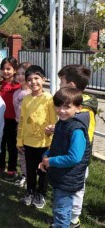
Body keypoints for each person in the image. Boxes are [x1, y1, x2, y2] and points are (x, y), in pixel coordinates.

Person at [49, 64, 97, 227]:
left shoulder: (84, 111)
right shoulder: (72, 111)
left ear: (70, 85)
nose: (59, 84)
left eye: (61, 81)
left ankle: (72, 220)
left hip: (76, 162)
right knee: (67, 198)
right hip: (67, 158)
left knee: (74, 194)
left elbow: (81, 138)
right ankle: (65, 217)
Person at [39, 87, 90, 227]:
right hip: (61, 174)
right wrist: (46, 157)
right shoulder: (62, 123)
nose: (61, 110)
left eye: (67, 107)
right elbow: (57, 145)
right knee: (59, 206)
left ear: (78, 108)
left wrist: (51, 161)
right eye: (58, 106)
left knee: (62, 209)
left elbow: (74, 157)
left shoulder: (76, 130)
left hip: (68, 176)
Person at [16, 65, 57, 209]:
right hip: (28, 142)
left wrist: (52, 141)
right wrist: (20, 140)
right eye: (29, 79)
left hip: (44, 143)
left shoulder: (49, 99)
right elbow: (21, 121)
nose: (33, 82)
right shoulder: (26, 99)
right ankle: (30, 191)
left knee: (43, 171)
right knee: (30, 170)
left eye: (36, 78)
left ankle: (41, 194)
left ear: (43, 79)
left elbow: (53, 122)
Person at [0, 57, 21, 179]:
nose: (5, 71)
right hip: (0, 120)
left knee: (12, 146)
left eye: (8, 69)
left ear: (15, 70)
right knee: (0, 144)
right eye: (3, 69)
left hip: (13, 121)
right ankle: (0, 165)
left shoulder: (18, 86)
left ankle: (12, 169)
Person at [12, 62, 31, 188]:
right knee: (21, 152)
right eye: (17, 73)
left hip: (31, 129)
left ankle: (32, 175)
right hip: (19, 126)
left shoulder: (32, 93)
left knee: (31, 154)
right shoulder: (16, 93)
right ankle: (24, 174)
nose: (20, 76)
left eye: (23, 74)